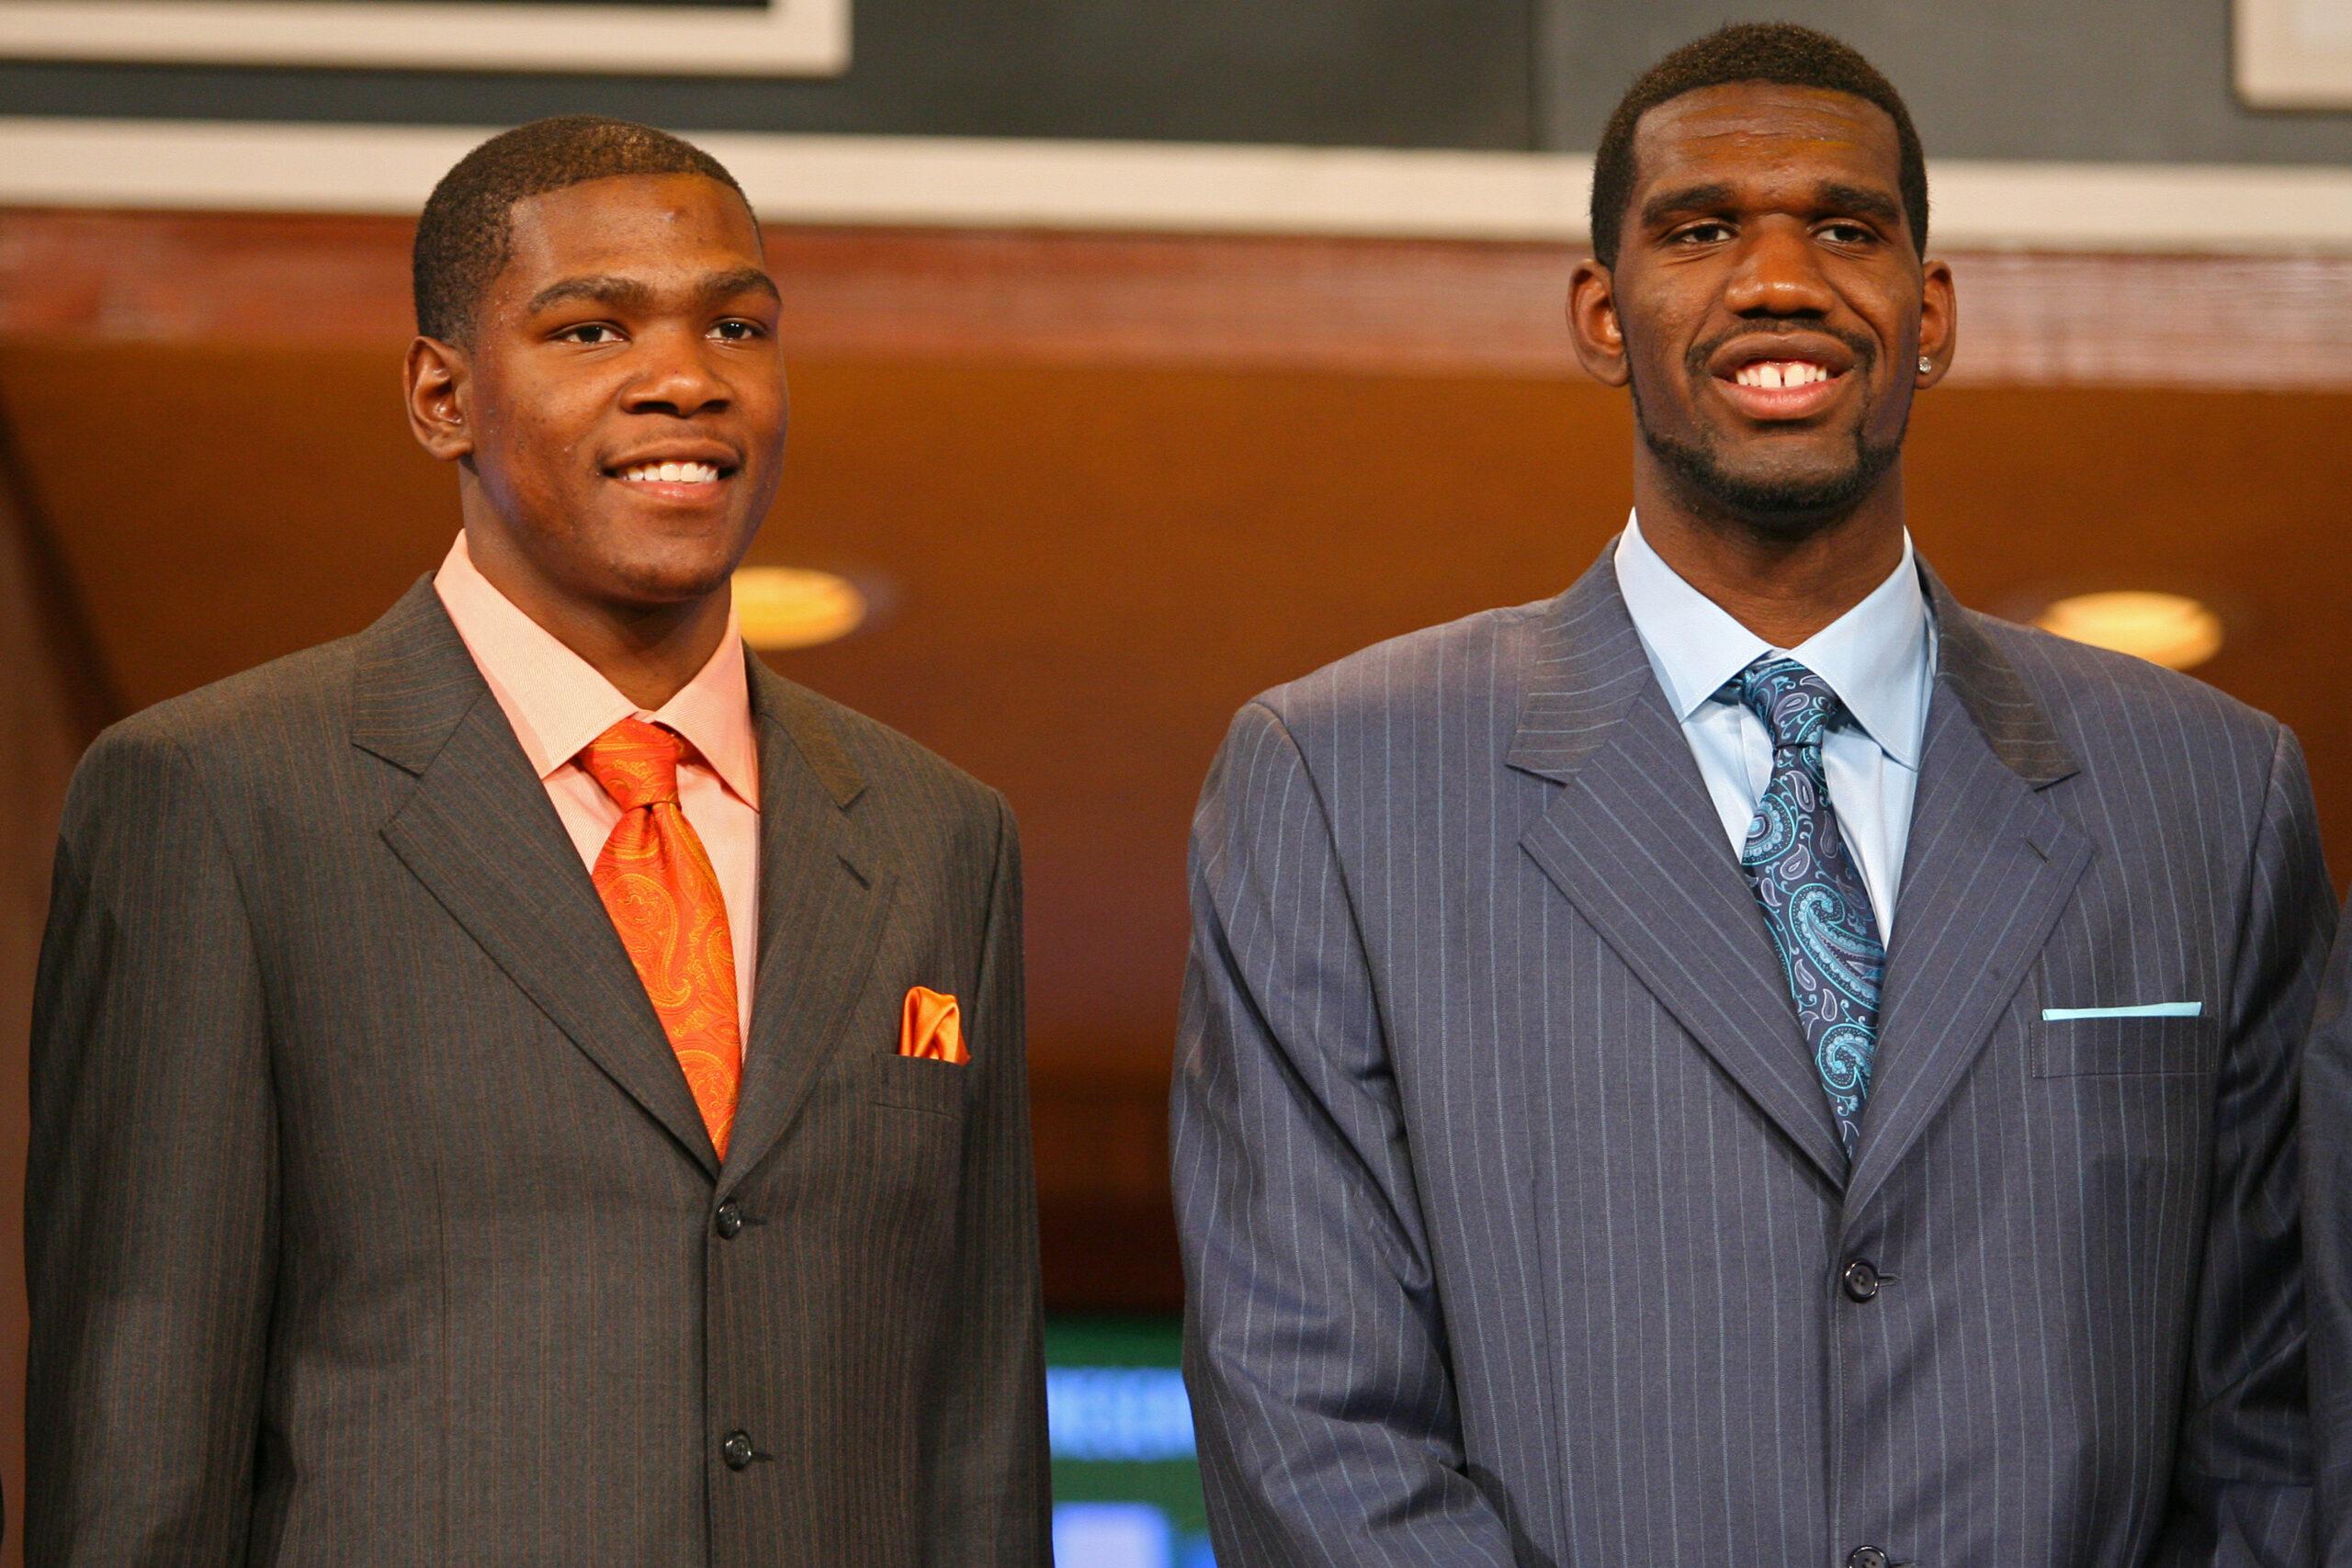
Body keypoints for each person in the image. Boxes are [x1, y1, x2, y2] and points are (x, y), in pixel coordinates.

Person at [1171, 25, 2330, 1566]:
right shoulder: (1338, 784)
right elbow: (1306, 1416)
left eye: (1845, 229)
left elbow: (2279, 1413)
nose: (1780, 279)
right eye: (1702, 229)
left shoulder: (2212, 795)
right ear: (1603, 316)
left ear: (1930, 314)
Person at [26, 116, 1047, 1564]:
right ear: (442, 395)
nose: (687, 377)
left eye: (738, 326)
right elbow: (139, 1445)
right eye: (590, 329)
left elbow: (980, 1433)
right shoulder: (217, 799)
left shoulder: (944, 837)